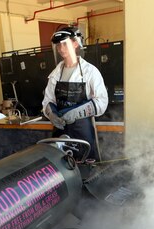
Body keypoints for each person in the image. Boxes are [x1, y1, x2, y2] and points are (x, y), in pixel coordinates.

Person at [42, 26, 108, 161]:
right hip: (60, 130)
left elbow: (101, 102)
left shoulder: (90, 71)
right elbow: (47, 101)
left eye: (65, 44)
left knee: (85, 166)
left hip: (82, 131)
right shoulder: (55, 74)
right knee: (61, 167)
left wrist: (76, 113)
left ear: (75, 43)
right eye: (58, 45)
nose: (61, 49)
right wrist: (52, 115)